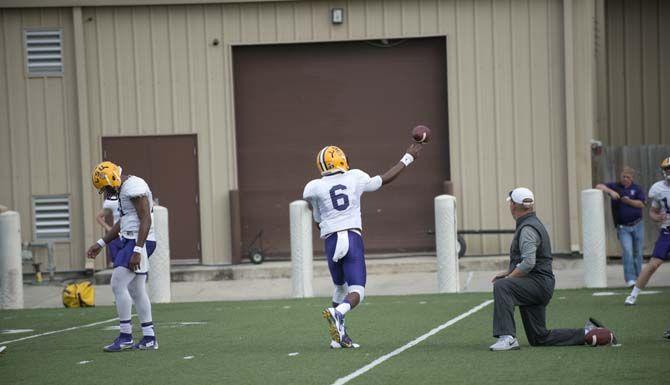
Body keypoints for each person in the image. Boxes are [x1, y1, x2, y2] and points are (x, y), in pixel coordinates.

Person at [303, 143, 422, 348]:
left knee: (340, 288)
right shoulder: (355, 177)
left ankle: (337, 337)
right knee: (357, 290)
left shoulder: (313, 187)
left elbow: (317, 220)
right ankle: (338, 312)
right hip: (351, 237)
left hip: (330, 240)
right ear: (341, 160)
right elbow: (384, 179)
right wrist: (408, 157)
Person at [490, 187, 616, 351]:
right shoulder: (531, 224)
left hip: (537, 284)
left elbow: (528, 263)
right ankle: (588, 332)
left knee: (502, 286)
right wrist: (508, 273)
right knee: (539, 337)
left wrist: (509, 278)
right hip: (539, 284)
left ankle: (507, 337)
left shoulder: (527, 228)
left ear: (513, 205)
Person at [86, 161, 158, 351]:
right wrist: (101, 243)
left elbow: (146, 218)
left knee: (117, 283)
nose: (106, 193)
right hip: (132, 240)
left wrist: (137, 250)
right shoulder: (124, 189)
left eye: (106, 187)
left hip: (138, 241)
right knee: (136, 290)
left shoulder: (133, 187)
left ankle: (125, 336)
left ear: (113, 179)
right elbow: (124, 221)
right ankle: (149, 338)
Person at [625, 157, 670, 306]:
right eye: (667, 169)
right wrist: (658, 217)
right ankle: (633, 295)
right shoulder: (658, 189)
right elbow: (653, 212)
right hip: (667, 232)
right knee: (653, 264)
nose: (668, 171)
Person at [595, 167, 646, 286]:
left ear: (632, 178)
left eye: (627, 177)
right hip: (623, 227)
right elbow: (598, 186)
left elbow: (642, 204)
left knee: (637, 252)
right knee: (627, 252)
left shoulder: (637, 189)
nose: (625, 179)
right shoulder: (615, 186)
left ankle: (639, 278)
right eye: (623, 176)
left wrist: (628, 201)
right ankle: (630, 279)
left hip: (638, 224)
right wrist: (610, 191)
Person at [95, 192, 123, 268]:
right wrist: (109, 228)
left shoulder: (133, 196)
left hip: (131, 232)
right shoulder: (112, 201)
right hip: (117, 234)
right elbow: (99, 217)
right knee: (116, 262)